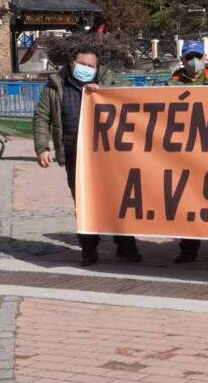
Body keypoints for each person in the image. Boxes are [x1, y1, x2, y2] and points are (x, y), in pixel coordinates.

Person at [33, 45, 141, 267]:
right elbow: (41, 117)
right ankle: (89, 249)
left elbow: (130, 96)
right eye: (82, 64)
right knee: (83, 202)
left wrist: (104, 92)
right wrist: (42, 147)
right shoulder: (54, 87)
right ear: (72, 63)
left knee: (117, 200)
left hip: (109, 154)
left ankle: (126, 246)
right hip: (76, 154)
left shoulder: (108, 80)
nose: (86, 68)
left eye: (91, 66)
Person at [168, 40, 208, 265]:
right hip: (185, 152)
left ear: (205, 58)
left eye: (198, 56)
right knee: (187, 200)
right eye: (189, 57)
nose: (193, 61)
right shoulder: (171, 84)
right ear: (182, 60)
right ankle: (188, 248)